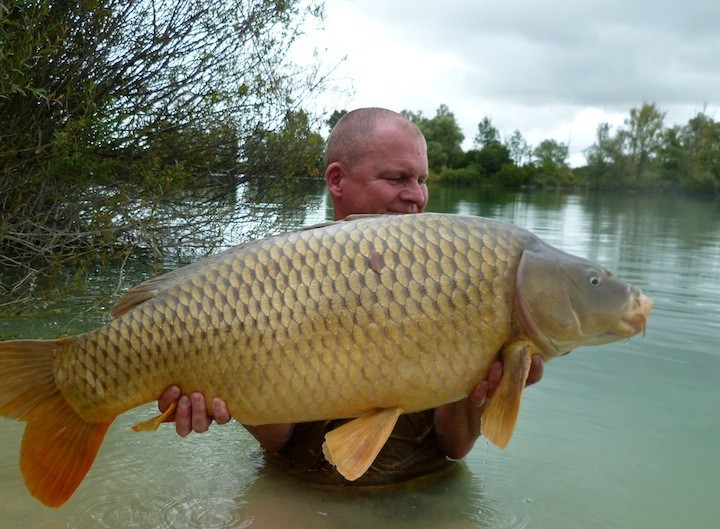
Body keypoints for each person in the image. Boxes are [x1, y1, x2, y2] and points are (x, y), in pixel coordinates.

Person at [157, 108, 543, 483]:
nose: (417, 197)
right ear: (337, 180)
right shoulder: (272, 277)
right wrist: (222, 389)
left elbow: (455, 445)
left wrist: (482, 388)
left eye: (422, 179)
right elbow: (279, 439)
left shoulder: (450, 277)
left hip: (421, 489)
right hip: (300, 491)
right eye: (397, 178)